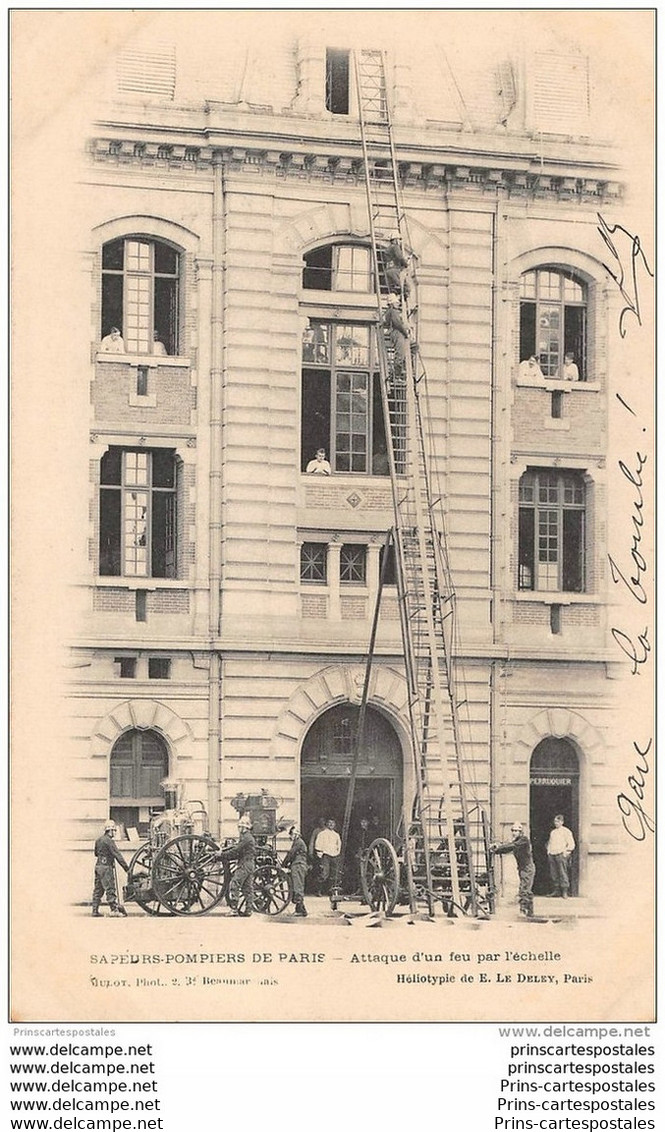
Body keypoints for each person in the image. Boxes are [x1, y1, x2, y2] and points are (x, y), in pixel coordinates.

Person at [491, 822, 535, 918]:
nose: (514, 832)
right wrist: (497, 850)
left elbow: (512, 846)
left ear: (520, 832)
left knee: (524, 889)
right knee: (527, 889)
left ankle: (523, 911)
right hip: (523, 868)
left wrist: (498, 848)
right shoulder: (516, 841)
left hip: (527, 868)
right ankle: (530, 912)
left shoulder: (523, 840)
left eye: (516, 831)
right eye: (513, 831)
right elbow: (507, 848)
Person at [218, 813, 257, 916]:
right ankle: (249, 910)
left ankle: (234, 909)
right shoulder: (246, 837)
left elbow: (236, 850)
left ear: (245, 827)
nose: (239, 828)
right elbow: (237, 851)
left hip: (245, 864)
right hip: (248, 864)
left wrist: (222, 854)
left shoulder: (247, 838)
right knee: (247, 888)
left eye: (240, 826)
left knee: (234, 883)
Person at [92, 820, 128, 916]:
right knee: (110, 889)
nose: (115, 833)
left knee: (98, 889)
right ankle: (114, 909)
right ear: (110, 830)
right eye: (114, 831)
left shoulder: (98, 840)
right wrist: (126, 868)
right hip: (106, 867)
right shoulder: (109, 841)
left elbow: (96, 853)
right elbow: (117, 855)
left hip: (98, 866)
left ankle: (94, 911)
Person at [282, 824, 309, 916]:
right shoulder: (298, 842)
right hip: (297, 865)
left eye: (292, 835)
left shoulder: (298, 842)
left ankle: (300, 910)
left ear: (296, 835)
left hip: (298, 866)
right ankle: (301, 909)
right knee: (297, 886)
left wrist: (283, 864)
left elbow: (291, 854)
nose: (291, 837)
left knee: (298, 887)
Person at [546, 814, 575, 897]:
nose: (556, 823)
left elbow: (571, 844)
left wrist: (566, 852)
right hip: (552, 854)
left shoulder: (566, 831)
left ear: (562, 822)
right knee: (554, 873)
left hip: (561, 854)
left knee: (563, 873)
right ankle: (556, 891)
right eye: (555, 821)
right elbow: (550, 843)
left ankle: (564, 891)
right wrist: (549, 852)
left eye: (558, 821)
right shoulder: (553, 832)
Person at [314, 818, 342, 895]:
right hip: (325, 855)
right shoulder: (322, 834)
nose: (331, 824)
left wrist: (337, 853)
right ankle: (318, 890)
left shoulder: (336, 835)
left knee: (334, 874)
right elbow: (318, 844)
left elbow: (339, 845)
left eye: (333, 823)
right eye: (329, 823)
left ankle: (332, 891)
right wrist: (320, 853)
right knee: (324, 873)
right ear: (326, 824)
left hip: (334, 855)